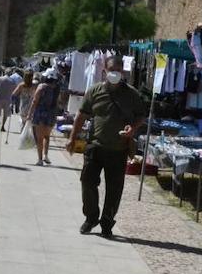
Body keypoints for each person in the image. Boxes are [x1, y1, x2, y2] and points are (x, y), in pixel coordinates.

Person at [68, 55, 147, 239]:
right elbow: (81, 115)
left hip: (118, 150)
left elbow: (140, 116)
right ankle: (91, 217)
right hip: (95, 146)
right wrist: (72, 138)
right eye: (112, 70)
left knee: (114, 189)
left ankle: (107, 222)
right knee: (87, 182)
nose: (115, 73)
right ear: (104, 70)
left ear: (123, 72)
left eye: (118, 70)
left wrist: (132, 129)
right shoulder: (94, 91)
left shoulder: (132, 94)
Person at [26, 69, 61, 166]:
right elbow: (58, 102)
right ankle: (46, 155)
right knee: (47, 136)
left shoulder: (41, 87)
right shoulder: (56, 88)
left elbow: (35, 101)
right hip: (51, 114)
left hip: (40, 113)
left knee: (39, 138)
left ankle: (40, 159)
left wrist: (30, 113)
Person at [0, 67, 22, 143]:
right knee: (5, 114)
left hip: (0, 98)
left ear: (5, 72)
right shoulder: (12, 81)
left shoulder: (0, 78)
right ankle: (2, 126)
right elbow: (15, 90)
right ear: (10, 73)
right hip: (8, 99)